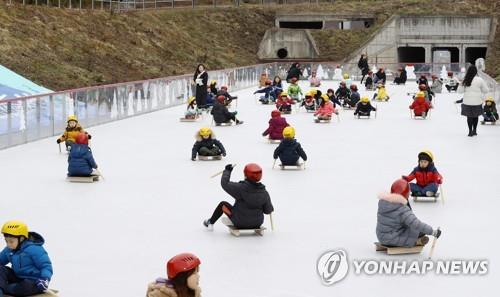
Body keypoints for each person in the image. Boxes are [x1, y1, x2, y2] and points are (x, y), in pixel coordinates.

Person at [203, 164, 274, 230]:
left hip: (240, 222)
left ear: (246, 174)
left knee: (223, 204)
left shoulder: (240, 188)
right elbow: (267, 211)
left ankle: (210, 222)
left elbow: (225, 184)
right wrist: (270, 207)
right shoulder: (264, 192)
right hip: (257, 223)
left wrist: (227, 171)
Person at [376, 179, 442, 248]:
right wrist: (432, 232)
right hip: (392, 239)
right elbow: (416, 224)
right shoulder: (402, 209)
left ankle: (415, 240)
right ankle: (417, 241)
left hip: (381, 236)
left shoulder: (383, 203)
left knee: (408, 226)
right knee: (418, 230)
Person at [0, 221, 53, 297]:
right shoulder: (9, 249)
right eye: (6, 241)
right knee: (1, 269)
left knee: (26, 286)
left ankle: (7, 288)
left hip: (33, 281)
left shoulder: (34, 249)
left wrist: (45, 279)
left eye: (11, 241)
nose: (8, 244)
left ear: (21, 239)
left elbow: (45, 266)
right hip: (18, 277)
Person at [457, 65, 489, 136]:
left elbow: (460, 91)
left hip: (467, 102)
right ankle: (474, 130)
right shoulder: (480, 80)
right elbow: (486, 90)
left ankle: (470, 131)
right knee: (475, 116)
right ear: (476, 72)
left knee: (469, 117)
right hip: (477, 101)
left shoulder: (465, 80)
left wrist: (460, 85)